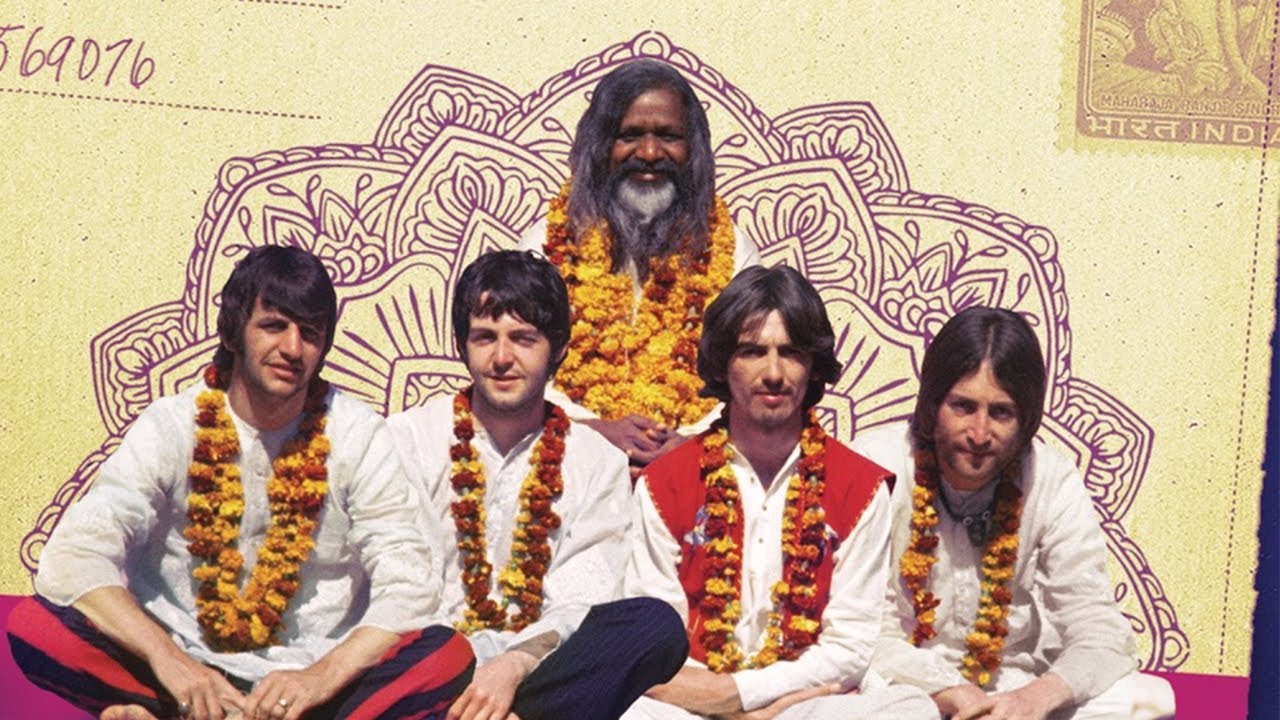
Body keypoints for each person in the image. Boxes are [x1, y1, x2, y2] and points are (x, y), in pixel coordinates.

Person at [5, 246, 475, 720]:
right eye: (274, 326)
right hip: (184, 671)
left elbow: (409, 586)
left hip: (310, 688)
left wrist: (320, 678)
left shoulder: (357, 434)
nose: (293, 349)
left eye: (310, 333)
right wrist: (171, 661)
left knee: (446, 656)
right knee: (35, 626)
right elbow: (73, 556)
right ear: (233, 332)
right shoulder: (172, 425)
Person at [622, 266, 934, 719]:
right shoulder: (665, 482)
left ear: (813, 367)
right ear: (723, 363)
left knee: (911, 710)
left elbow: (848, 647)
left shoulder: (860, 487)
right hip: (691, 704)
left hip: (805, 703)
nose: (773, 373)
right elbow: (655, 637)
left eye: (790, 353)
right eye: (752, 351)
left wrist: (746, 697)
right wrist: (721, 704)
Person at [389, 250, 688, 720]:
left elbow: (580, 601)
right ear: (462, 345)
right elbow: (404, 589)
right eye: (484, 337)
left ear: (559, 349)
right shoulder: (406, 441)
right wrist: (466, 673)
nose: (501, 358)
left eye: (523, 339)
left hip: (538, 671)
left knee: (655, 626)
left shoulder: (598, 462)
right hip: (430, 666)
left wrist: (512, 667)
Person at [857, 306, 1176, 719]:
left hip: (1007, 692)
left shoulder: (1050, 478)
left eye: (1001, 412)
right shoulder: (874, 463)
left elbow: (1098, 628)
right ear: (932, 406)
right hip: (905, 691)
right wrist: (947, 690)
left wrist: (1035, 700)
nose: (979, 434)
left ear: (1026, 420)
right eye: (963, 406)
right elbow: (858, 629)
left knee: (1149, 699)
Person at [519, 58, 761, 469]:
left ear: (693, 149)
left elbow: (755, 369)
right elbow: (516, 361)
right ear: (600, 146)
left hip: (698, 471)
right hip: (571, 464)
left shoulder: (733, 252)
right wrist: (592, 431)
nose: (649, 153)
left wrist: (693, 443)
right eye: (629, 135)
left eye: (668, 136)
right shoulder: (547, 245)